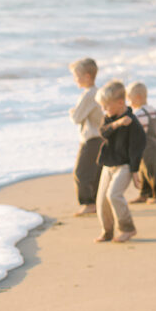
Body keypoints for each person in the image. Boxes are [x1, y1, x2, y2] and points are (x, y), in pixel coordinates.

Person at [94, 80, 146, 243]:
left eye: (106, 106)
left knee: (114, 194)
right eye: (102, 106)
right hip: (108, 165)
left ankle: (127, 228)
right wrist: (117, 124)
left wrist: (135, 171)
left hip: (124, 166)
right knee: (101, 200)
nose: (104, 110)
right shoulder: (108, 118)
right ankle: (107, 231)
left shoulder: (133, 123)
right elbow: (103, 132)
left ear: (120, 102)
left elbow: (137, 147)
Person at [68, 58, 105, 216]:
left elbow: (76, 118)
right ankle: (96, 201)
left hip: (92, 138)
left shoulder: (89, 95)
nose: (75, 79)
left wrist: (72, 112)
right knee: (95, 171)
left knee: (82, 172)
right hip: (101, 137)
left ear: (88, 76)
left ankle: (88, 202)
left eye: (77, 76)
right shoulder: (97, 92)